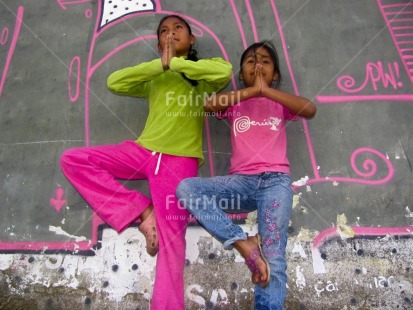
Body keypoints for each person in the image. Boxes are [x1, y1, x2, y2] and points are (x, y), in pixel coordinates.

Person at [60, 14, 232, 309]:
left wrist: (175, 63)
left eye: (178, 28)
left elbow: (224, 72)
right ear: (157, 43)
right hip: (142, 151)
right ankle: (141, 208)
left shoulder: (200, 78)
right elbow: (115, 82)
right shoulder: (155, 77)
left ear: (191, 40)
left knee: (172, 245)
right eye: (163, 30)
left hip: (178, 163)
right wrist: (160, 66)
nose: (170, 33)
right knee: (74, 160)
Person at [176, 40, 316, 309]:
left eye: (265, 61)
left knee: (274, 257)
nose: (258, 65)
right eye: (251, 61)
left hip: (275, 183)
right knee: (187, 189)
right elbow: (210, 105)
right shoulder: (236, 102)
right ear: (241, 74)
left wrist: (267, 92)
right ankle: (243, 244)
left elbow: (309, 108)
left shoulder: (281, 104)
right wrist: (251, 92)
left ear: (275, 74)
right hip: (240, 183)